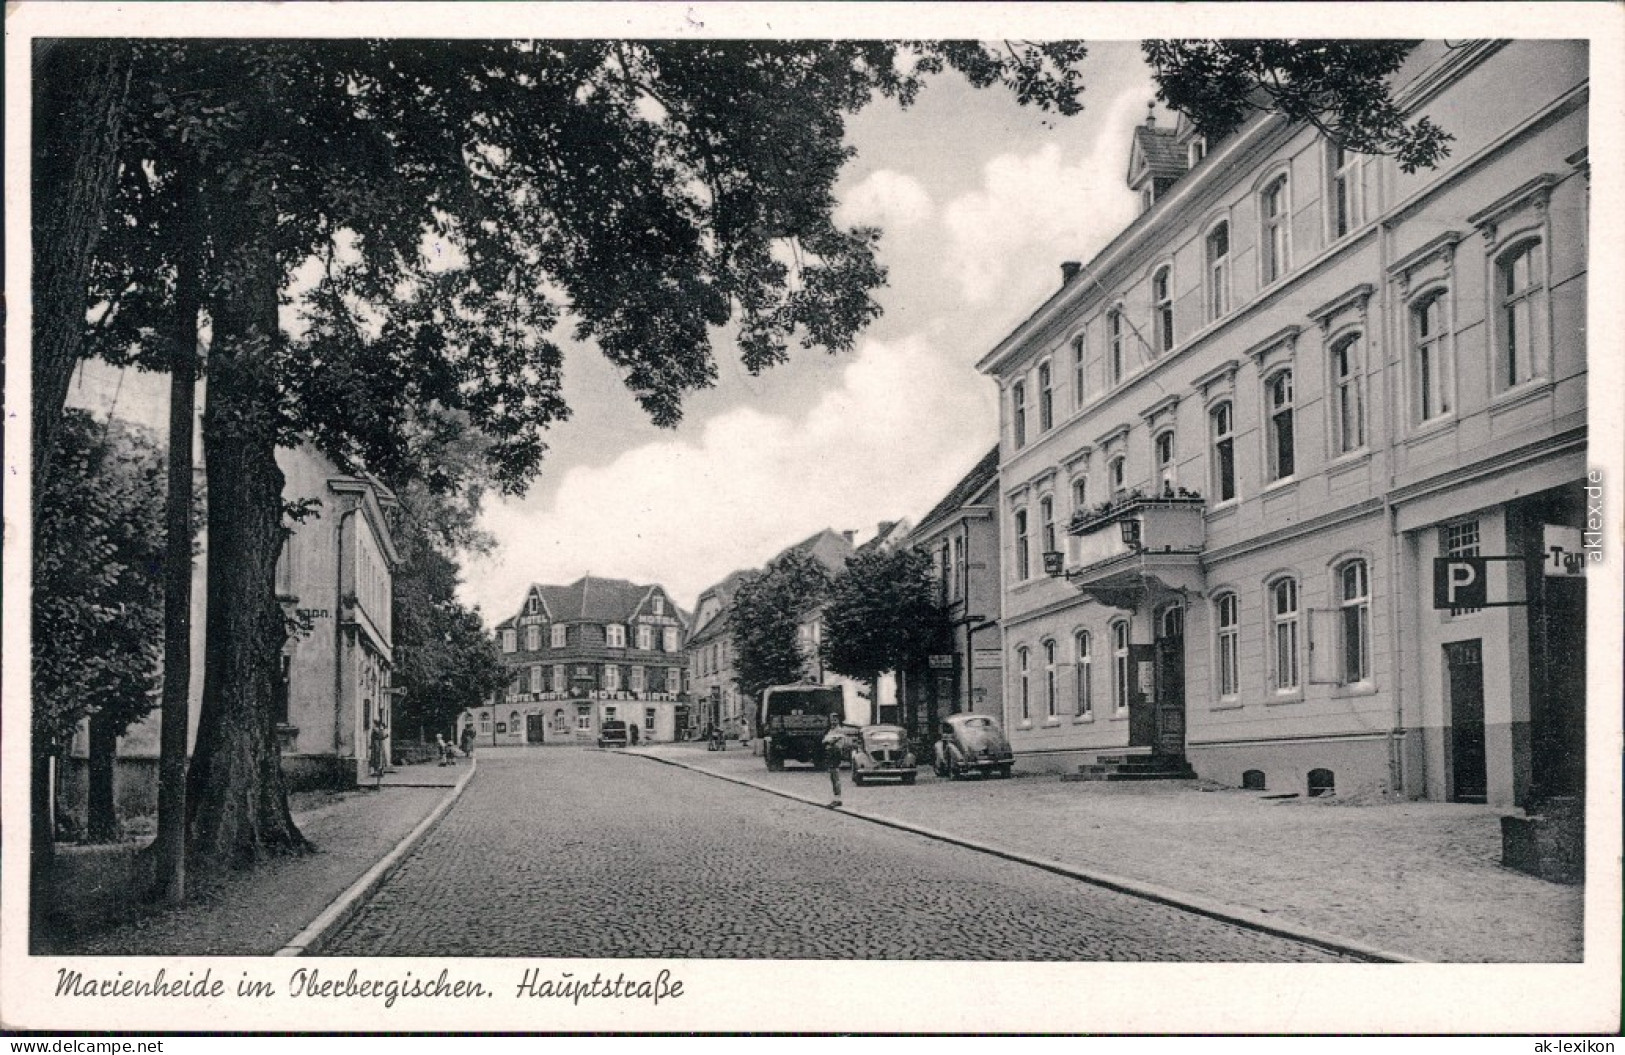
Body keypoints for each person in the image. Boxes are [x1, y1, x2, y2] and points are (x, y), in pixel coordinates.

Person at [824, 731, 844, 808]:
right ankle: (837, 798)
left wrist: (833, 765)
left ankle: (837, 799)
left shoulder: (835, 749)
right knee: (834, 781)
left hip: (834, 767)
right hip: (833, 766)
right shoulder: (834, 748)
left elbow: (835, 759)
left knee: (836, 782)